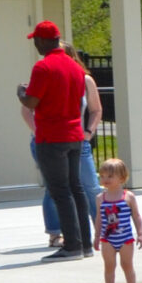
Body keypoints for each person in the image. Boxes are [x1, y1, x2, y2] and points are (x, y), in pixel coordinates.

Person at [18, 20, 93, 259]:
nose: (35, 45)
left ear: (42, 41)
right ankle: (85, 244)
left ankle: (72, 246)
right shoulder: (76, 68)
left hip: (51, 136)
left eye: (36, 40)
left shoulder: (43, 67)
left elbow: (32, 102)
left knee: (60, 191)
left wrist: (21, 92)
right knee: (76, 188)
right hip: (75, 135)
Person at [38, 43, 101, 249]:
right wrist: (39, 131)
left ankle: (99, 230)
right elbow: (27, 109)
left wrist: (88, 132)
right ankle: (57, 233)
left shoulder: (84, 80)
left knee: (89, 186)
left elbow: (96, 109)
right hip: (51, 140)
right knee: (55, 188)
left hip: (77, 140)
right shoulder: (46, 76)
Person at [93, 157, 142, 283]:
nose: (105, 179)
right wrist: (96, 236)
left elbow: (136, 216)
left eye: (110, 176)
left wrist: (140, 234)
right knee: (109, 266)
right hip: (107, 239)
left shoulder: (128, 197)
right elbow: (99, 218)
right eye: (102, 176)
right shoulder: (100, 198)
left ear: (122, 178)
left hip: (125, 238)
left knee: (127, 265)